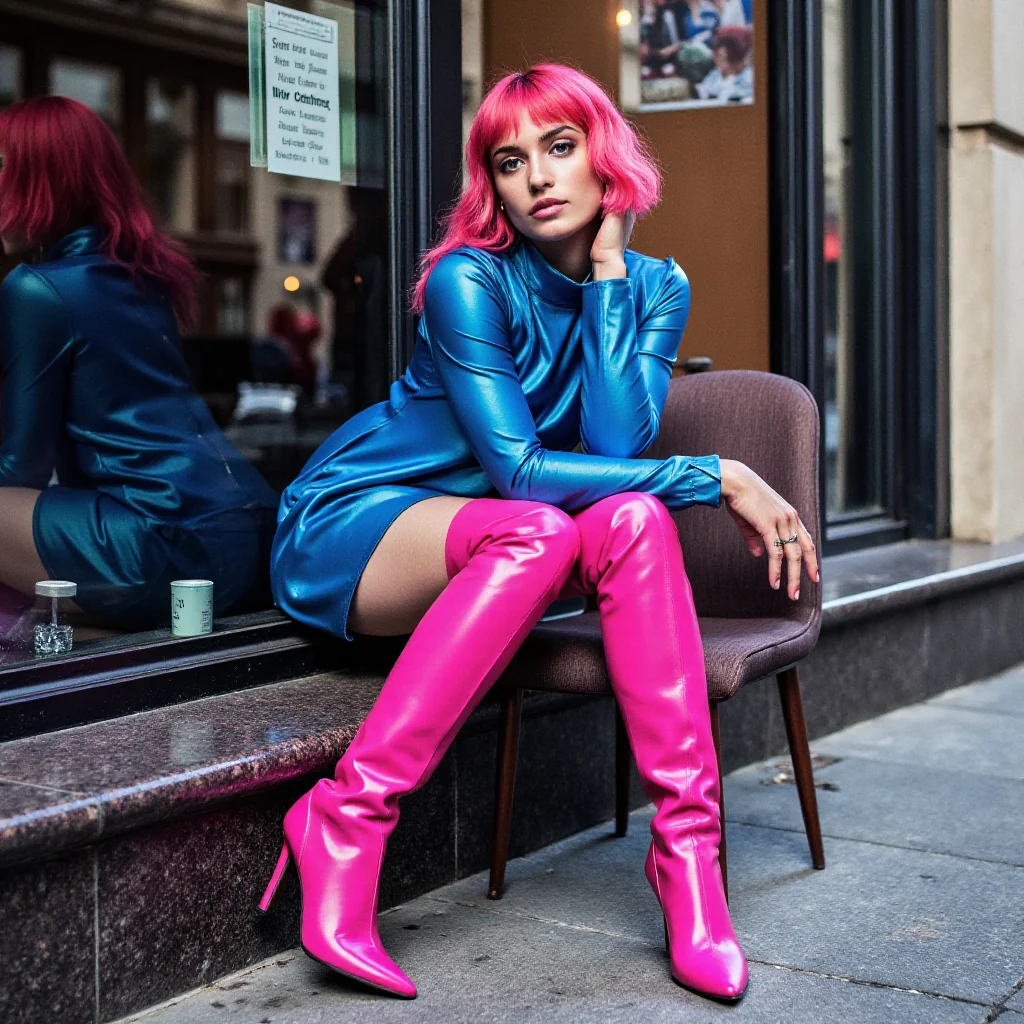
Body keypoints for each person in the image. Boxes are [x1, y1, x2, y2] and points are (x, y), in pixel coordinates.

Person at [266, 64, 818, 1003]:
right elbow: (519, 469)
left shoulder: (652, 286)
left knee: (634, 519)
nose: (538, 178)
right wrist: (719, 473)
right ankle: (347, 816)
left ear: (605, 162)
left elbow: (613, 443)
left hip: (515, 534)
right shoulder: (465, 280)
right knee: (539, 530)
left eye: (561, 149)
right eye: (511, 160)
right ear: (495, 183)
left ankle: (689, 868)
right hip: (364, 521)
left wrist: (608, 277)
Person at [0, 96, 278, 633]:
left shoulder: (35, 289)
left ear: (45, 179)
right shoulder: (143, 275)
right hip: (252, 542)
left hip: (157, 546)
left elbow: (20, 470)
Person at [695, 25, 754, 103]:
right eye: (717, 57)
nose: (717, 62)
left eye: (723, 58)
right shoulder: (715, 75)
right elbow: (705, 89)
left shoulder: (748, 77)